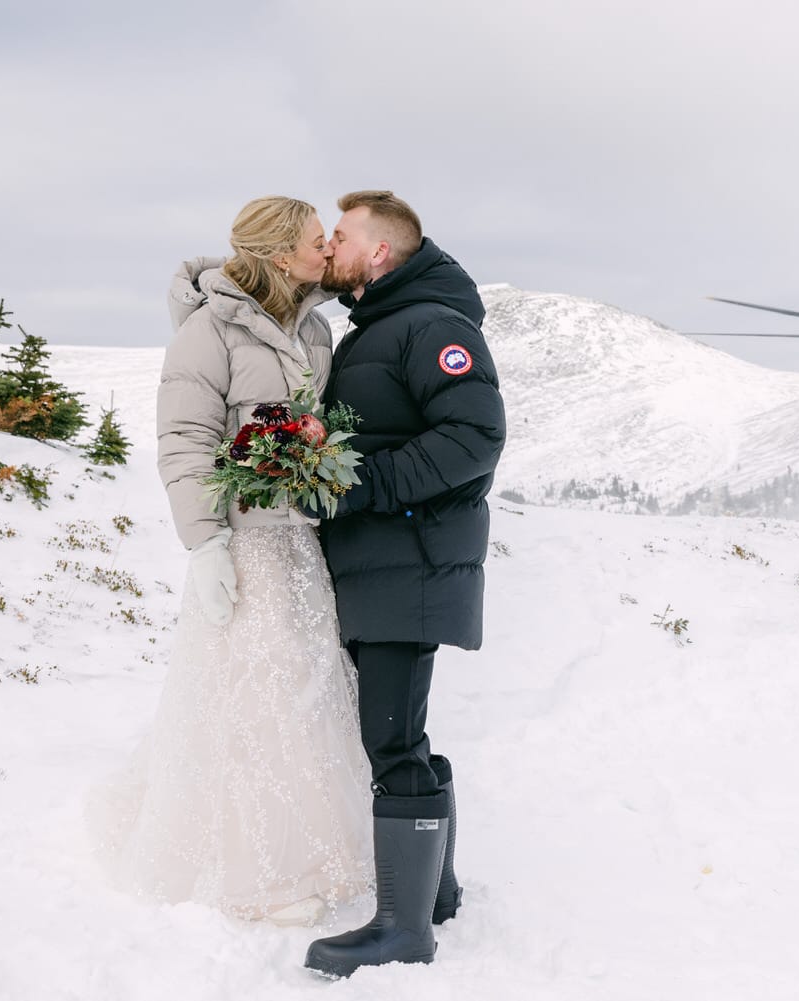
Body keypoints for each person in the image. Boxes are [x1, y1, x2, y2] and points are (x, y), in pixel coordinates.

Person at [86, 196, 372, 927]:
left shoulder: (312, 328)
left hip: (298, 544)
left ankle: (313, 850)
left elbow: (319, 428)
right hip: (242, 546)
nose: (327, 250)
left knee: (305, 699)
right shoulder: (207, 332)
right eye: (317, 241)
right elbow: (183, 441)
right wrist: (206, 543)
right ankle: (257, 875)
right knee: (252, 703)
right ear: (282, 254)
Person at [300, 191, 506, 978]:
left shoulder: (434, 327)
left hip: (408, 556)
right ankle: (435, 896)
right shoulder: (383, 323)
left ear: (379, 251)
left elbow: (475, 435)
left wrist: (363, 485)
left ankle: (401, 928)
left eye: (341, 235)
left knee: (390, 738)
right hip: (385, 557)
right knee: (399, 730)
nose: (330, 247)